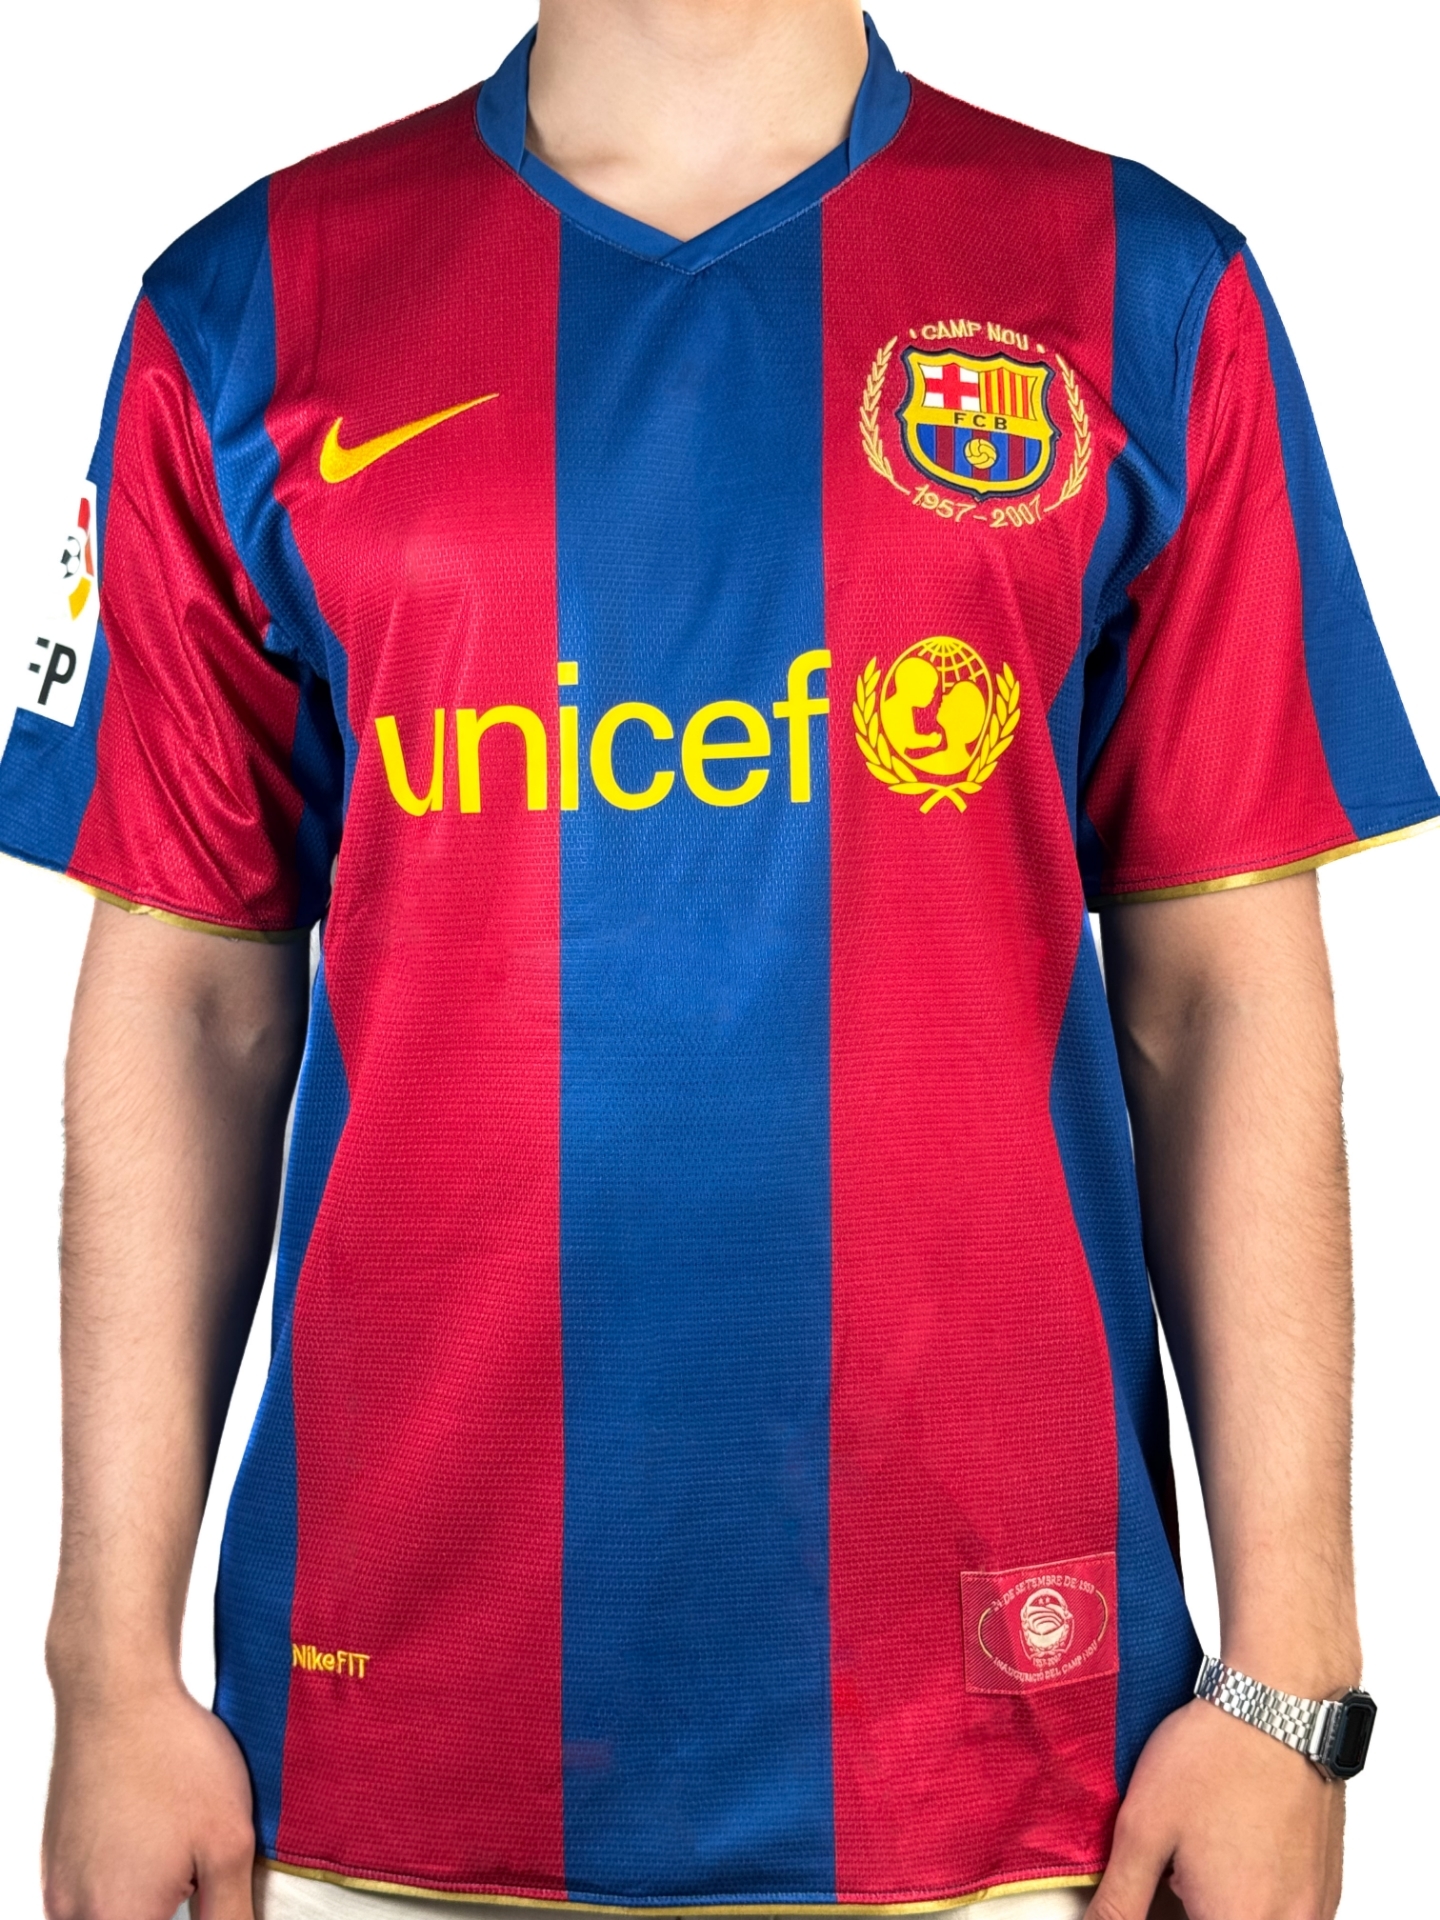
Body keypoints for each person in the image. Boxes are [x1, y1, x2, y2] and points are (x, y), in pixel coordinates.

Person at [10, 3, 1433, 1918]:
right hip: (367, 1774)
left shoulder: (1145, 289)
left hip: (1026, 1780)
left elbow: (1221, 998)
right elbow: (190, 1001)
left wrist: (1291, 1687)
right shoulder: (247, 303)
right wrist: (106, 1671)